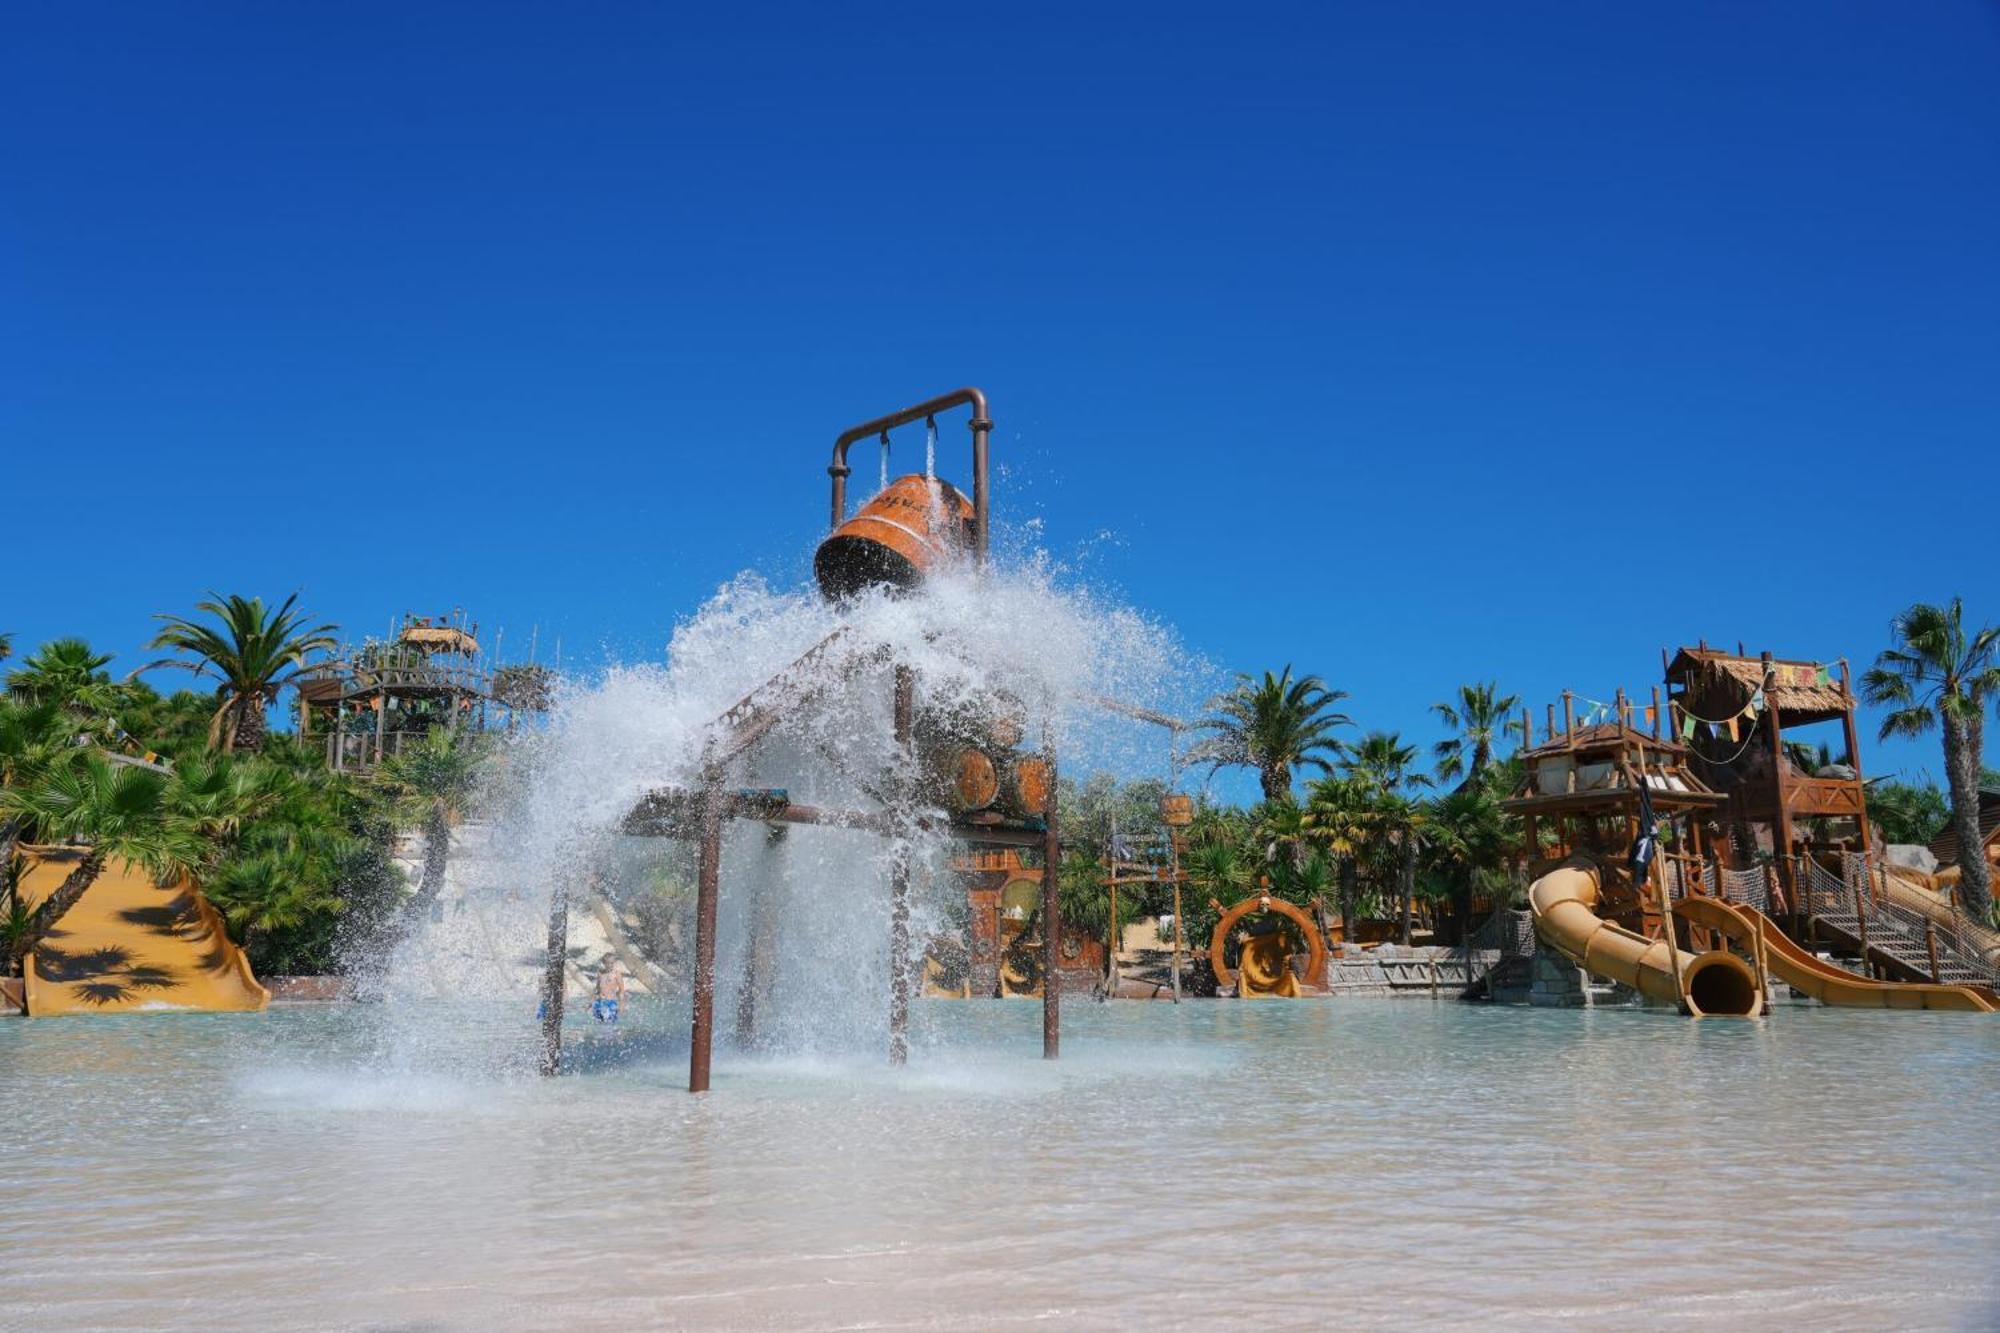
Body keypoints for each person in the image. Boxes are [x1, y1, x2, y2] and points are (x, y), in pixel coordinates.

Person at [592, 957, 627, 1023]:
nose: (609, 965)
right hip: (599, 1002)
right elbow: (597, 989)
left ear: (614, 963)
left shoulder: (616, 974)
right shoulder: (600, 973)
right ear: (604, 963)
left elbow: (621, 990)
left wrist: (622, 1005)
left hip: (611, 1003)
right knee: (598, 1024)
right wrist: (591, 1003)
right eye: (607, 963)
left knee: (609, 1026)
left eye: (611, 963)